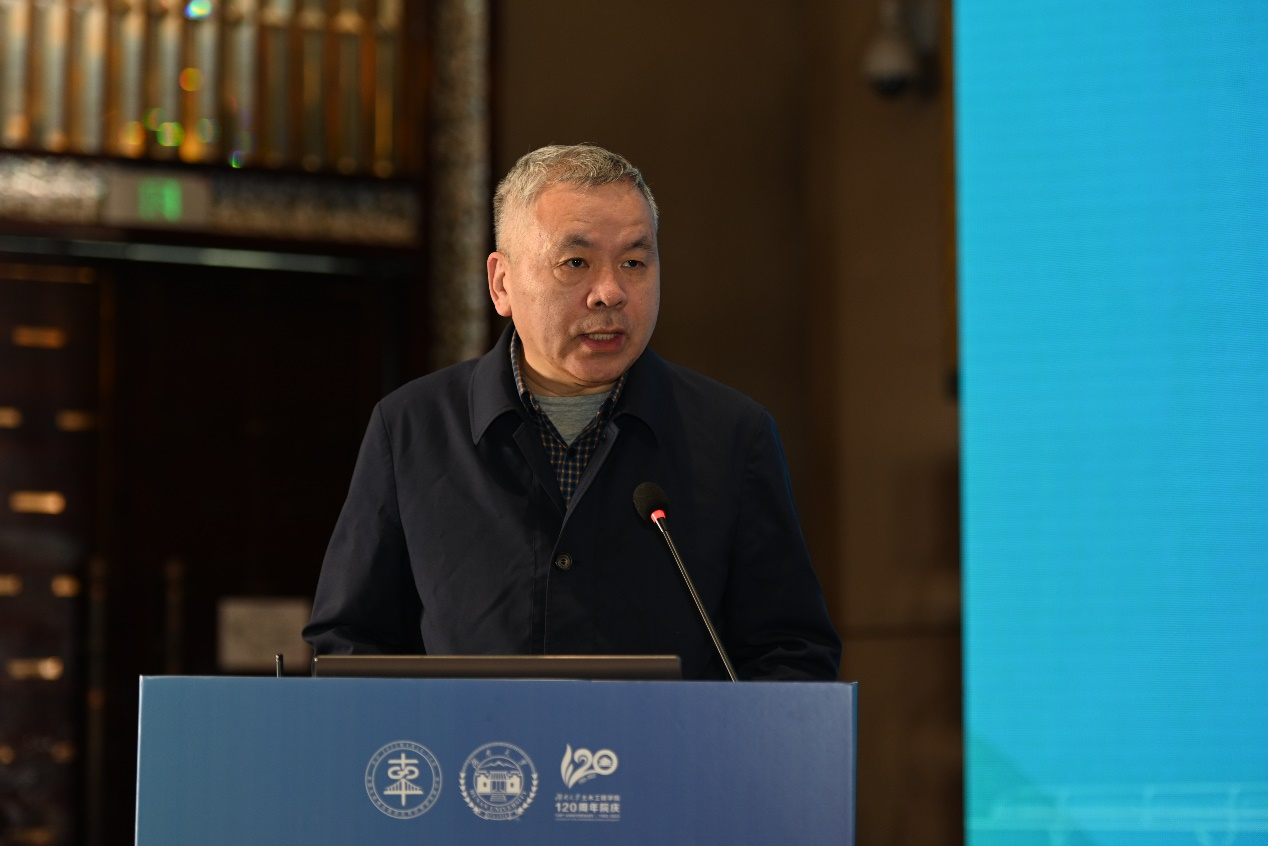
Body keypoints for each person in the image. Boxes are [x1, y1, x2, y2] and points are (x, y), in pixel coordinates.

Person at [303, 143, 840, 680]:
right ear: (502, 283)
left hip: (669, 740)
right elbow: (350, 645)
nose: (610, 292)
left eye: (634, 262)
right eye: (575, 263)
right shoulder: (411, 428)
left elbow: (790, 654)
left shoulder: (733, 436)